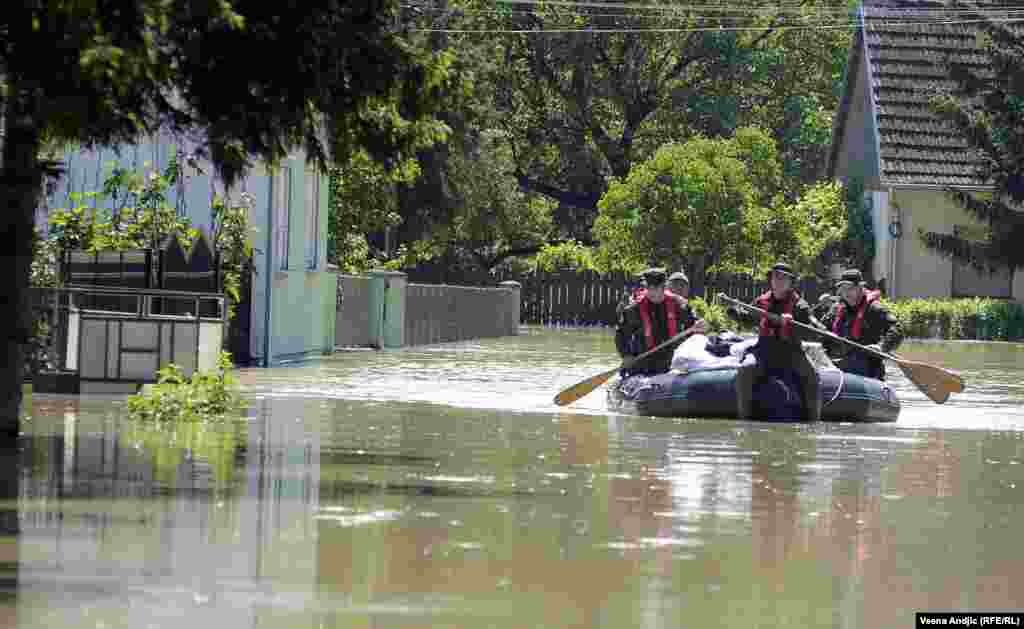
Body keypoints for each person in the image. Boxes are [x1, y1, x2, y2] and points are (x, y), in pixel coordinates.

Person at [726, 262, 825, 421]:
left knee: (812, 376)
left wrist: (794, 325)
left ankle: (814, 421)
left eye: (783, 278)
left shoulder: (800, 306)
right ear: (770, 280)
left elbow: (811, 332)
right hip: (764, 350)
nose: (778, 281)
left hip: (791, 351)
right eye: (775, 277)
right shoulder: (761, 302)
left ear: (790, 282)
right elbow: (748, 321)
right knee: (746, 369)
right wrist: (733, 312)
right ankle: (744, 417)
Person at [615, 268, 706, 377]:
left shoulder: (679, 305)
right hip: (644, 363)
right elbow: (621, 336)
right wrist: (626, 355)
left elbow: (691, 326)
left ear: (664, 287)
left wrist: (698, 326)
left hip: (672, 361)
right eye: (649, 288)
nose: (651, 292)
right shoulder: (633, 310)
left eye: (656, 288)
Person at [819, 269, 903, 380]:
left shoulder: (874, 308)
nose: (847, 293)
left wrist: (882, 347)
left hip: (868, 370)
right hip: (841, 368)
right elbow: (822, 332)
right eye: (843, 289)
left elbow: (896, 328)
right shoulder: (837, 309)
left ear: (860, 288)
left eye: (851, 289)